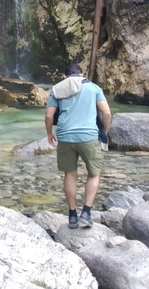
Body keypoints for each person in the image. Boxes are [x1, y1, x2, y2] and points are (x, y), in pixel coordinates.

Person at [45, 64, 111, 229]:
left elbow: (49, 115)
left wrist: (49, 134)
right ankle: (86, 213)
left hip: (65, 136)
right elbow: (107, 113)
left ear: (64, 76)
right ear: (82, 74)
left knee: (70, 174)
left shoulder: (57, 89)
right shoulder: (93, 87)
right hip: (88, 136)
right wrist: (104, 131)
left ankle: (72, 216)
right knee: (94, 173)